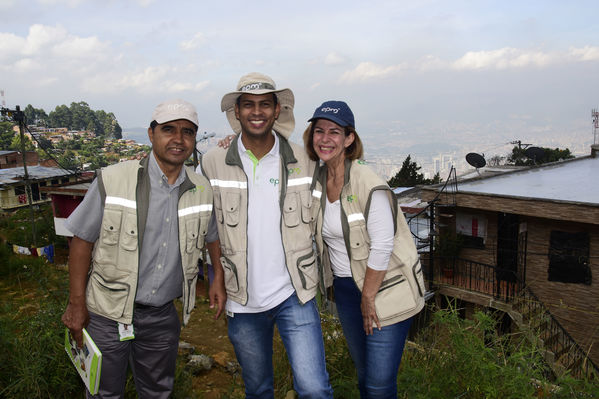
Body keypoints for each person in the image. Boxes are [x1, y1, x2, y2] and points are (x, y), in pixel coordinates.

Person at [61, 99, 218, 398]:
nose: (178, 139)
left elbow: (212, 237)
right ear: (151, 134)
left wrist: (218, 278)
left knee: (158, 392)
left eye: (187, 132)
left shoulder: (202, 189)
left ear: (194, 139)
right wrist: (76, 304)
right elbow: (81, 241)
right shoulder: (113, 179)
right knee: (103, 393)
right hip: (105, 314)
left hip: (160, 318)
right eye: (168, 129)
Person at [200, 72, 333, 399]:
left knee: (315, 389)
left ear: (277, 110)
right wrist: (216, 276)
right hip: (241, 299)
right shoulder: (214, 161)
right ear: (237, 112)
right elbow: (211, 227)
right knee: (258, 390)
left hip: (294, 293)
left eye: (264, 105)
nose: (256, 112)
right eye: (248, 105)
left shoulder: (304, 159)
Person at [304, 100, 426, 398]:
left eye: (334, 132)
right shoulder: (318, 177)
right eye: (319, 131)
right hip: (346, 290)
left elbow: (382, 245)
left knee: (379, 384)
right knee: (363, 375)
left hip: (385, 289)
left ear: (349, 139)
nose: (325, 138)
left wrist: (368, 297)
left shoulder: (368, 183)